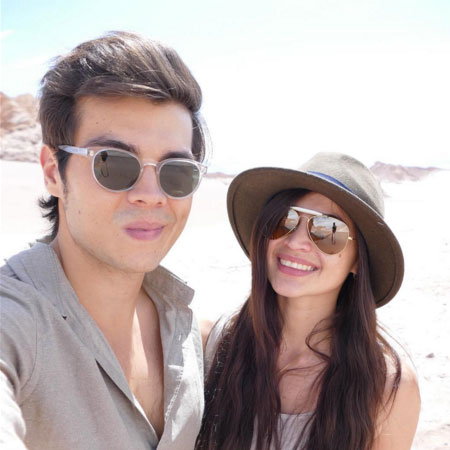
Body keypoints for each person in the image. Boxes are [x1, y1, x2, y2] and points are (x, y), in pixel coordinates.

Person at [0, 31, 209, 450]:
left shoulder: (186, 328)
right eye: (113, 164)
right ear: (53, 172)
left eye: (176, 172)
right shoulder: (15, 322)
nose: (151, 194)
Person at [196, 153, 420, 450]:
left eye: (328, 231)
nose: (295, 242)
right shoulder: (210, 347)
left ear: (358, 261)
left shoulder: (389, 386)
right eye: (284, 220)